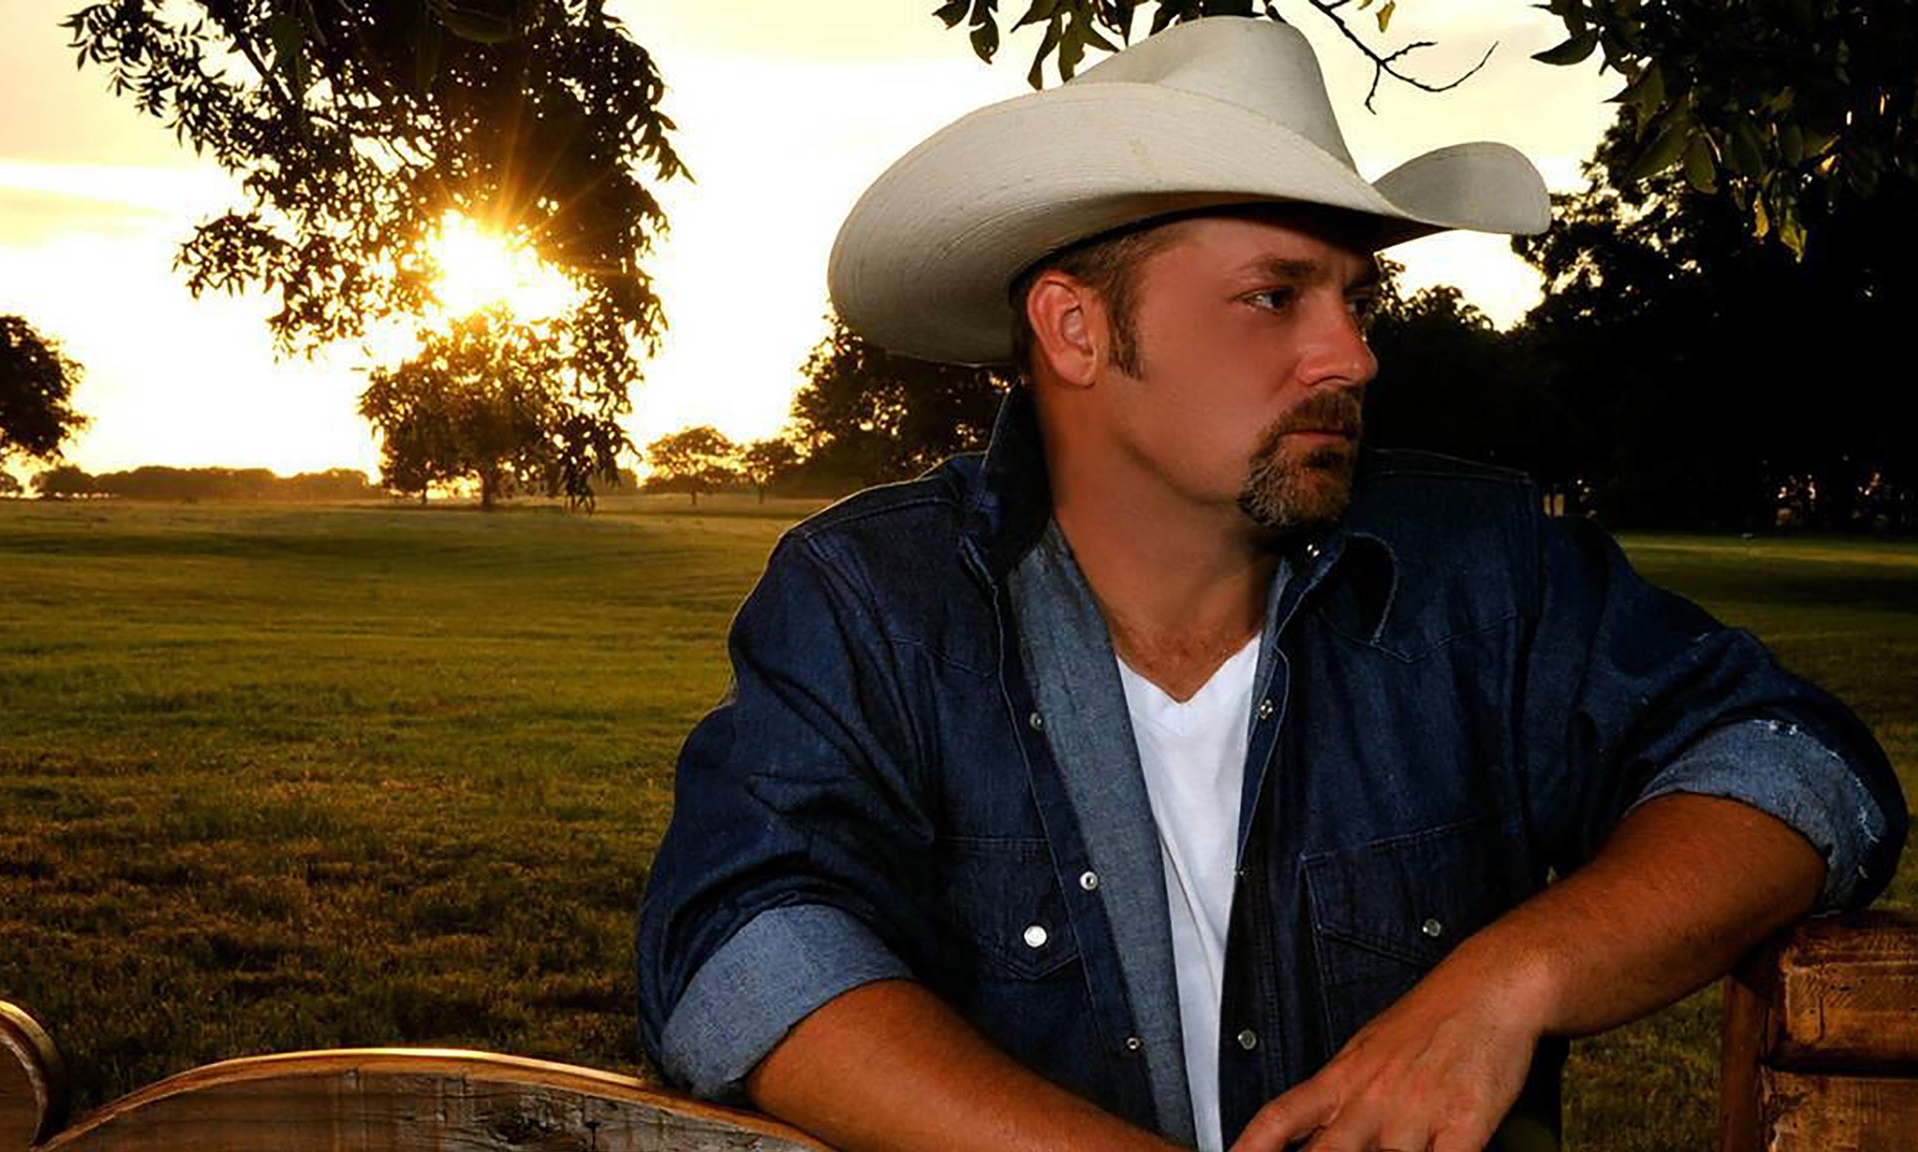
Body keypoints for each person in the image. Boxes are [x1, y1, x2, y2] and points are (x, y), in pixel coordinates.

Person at [635, 16, 1906, 1152]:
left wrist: (1507, 981)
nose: (1348, 355)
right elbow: (744, 947)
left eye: (1355, 298)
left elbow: (1792, 766)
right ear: (1076, 330)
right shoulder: (873, 599)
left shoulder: (1479, 568)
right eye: (1272, 296)